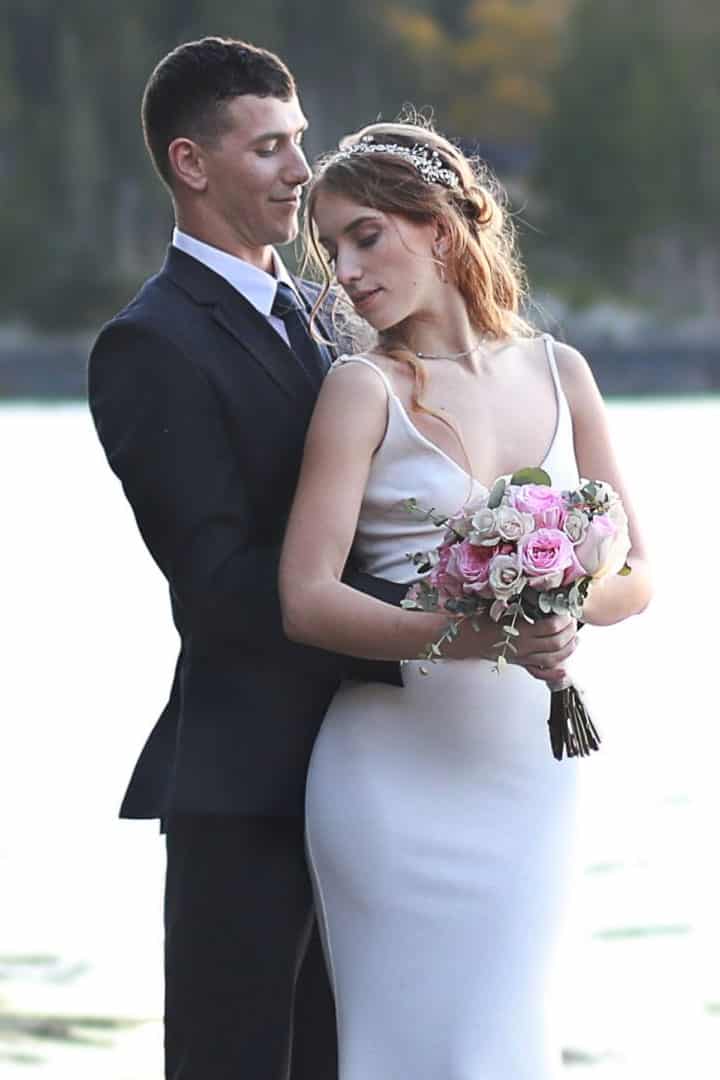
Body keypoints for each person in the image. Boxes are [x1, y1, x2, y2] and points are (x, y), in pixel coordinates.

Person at [87, 39, 462, 1080]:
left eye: (301, 141)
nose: (303, 169)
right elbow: (215, 585)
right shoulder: (150, 345)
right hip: (248, 784)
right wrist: (440, 619)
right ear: (191, 164)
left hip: (378, 780)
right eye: (269, 149)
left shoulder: (328, 308)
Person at [279, 121, 653, 1079]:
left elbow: (637, 574)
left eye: (366, 236)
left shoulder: (563, 372)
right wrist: (463, 632)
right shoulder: (361, 388)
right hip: (388, 778)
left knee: (506, 1043)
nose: (346, 269)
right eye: (330, 248)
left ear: (440, 230)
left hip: (527, 772)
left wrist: (570, 609)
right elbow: (306, 597)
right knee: (399, 1050)